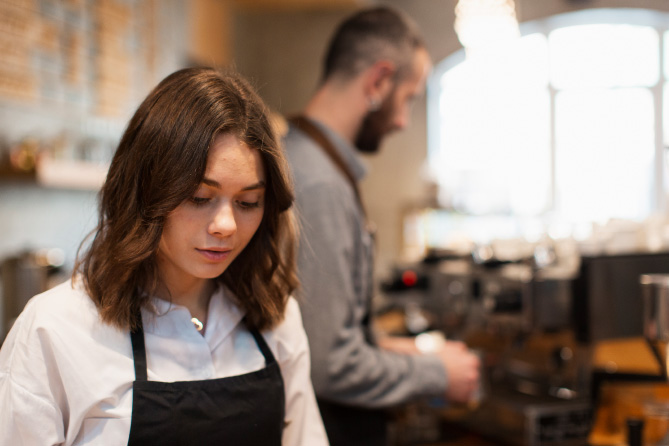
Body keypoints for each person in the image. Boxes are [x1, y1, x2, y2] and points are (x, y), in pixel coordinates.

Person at [0, 67, 328, 446]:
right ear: (146, 191)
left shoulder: (275, 317)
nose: (226, 225)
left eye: (248, 202)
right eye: (200, 198)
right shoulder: (55, 331)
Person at [283, 6, 481, 446]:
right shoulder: (319, 184)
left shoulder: (314, 163)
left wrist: (408, 349)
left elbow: (325, 328)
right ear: (377, 81)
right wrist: (436, 374)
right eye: (408, 98)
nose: (402, 122)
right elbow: (329, 362)